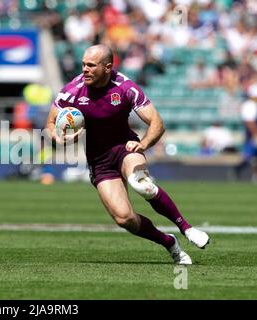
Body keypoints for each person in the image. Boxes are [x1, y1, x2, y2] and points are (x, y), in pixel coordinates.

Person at [46, 44, 210, 265]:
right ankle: (169, 242)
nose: (84, 69)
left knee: (141, 183)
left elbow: (156, 123)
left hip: (125, 147)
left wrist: (143, 144)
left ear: (107, 67)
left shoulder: (125, 87)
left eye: (91, 65)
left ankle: (186, 228)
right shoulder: (71, 91)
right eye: (83, 64)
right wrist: (59, 137)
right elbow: (50, 124)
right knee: (124, 219)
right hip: (99, 161)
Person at [237, 83, 257, 182]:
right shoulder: (249, 105)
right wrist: (255, 135)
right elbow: (250, 122)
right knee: (252, 157)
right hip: (252, 136)